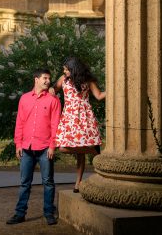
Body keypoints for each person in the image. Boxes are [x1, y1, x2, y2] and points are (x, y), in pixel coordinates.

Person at [7, 69, 61, 226]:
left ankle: (49, 213)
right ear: (36, 79)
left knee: (48, 182)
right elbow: (20, 122)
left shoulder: (53, 100)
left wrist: (52, 146)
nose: (47, 81)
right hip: (26, 148)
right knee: (24, 183)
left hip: (45, 148)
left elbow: (55, 125)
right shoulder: (24, 99)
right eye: (44, 78)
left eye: (49, 79)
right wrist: (18, 143)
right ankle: (20, 214)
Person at [52, 56, 106, 193]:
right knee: (63, 147)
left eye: (66, 69)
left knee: (80, 153)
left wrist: (115, 89)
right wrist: (49, 92)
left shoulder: (88, 80)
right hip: (69, 116)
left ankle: (78, 183)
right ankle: (94, 151)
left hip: (84, 116)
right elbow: (54, 90)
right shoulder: (63, 79)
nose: (64, 71)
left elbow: (99, 96)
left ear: (73, 68)